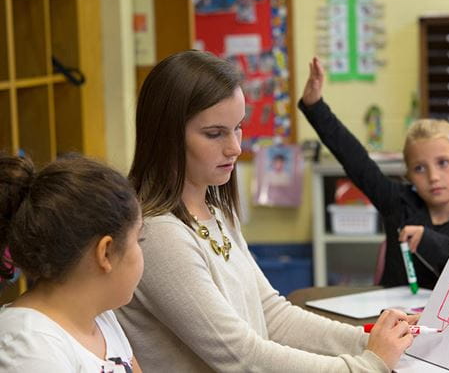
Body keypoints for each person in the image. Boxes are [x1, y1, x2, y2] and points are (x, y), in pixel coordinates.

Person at [118, 50, 416, 372]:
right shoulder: (158, 233)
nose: (235, 147)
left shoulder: (214, 210)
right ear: (167, 135)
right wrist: (366, 365)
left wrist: (368, 341)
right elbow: (241, 357)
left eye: (238, 128)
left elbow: (271, 314)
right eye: (214, 133)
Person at [299, 57, 449, 290]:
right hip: (396, 320)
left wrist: (430, 242)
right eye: (419, 168)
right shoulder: (398, 203)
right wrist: (315, 107)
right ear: (409, 176)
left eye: (443, 163)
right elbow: (355, 159)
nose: (433, 176)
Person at [0, 154, 144, 372]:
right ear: (105, 253)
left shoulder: (101, 318)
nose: (141, 251)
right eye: (138, 240)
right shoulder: (29, 345)